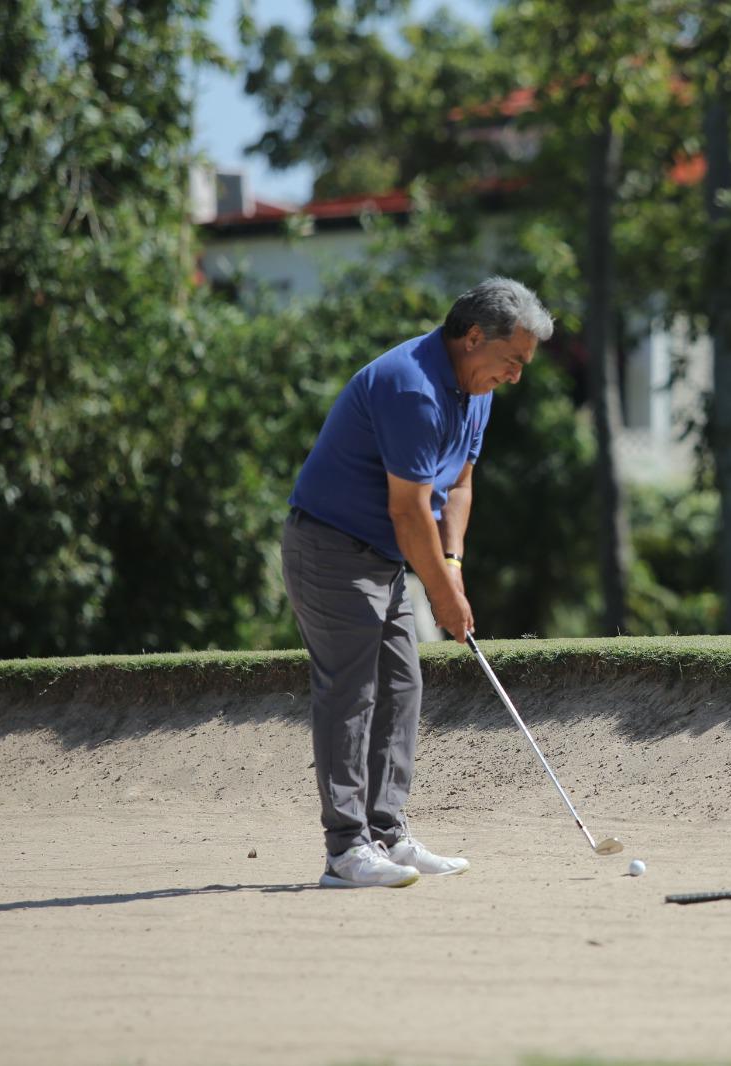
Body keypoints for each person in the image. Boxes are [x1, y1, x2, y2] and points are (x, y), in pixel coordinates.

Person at [281, 277, 553, 888]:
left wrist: (452, 568)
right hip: (329, 547)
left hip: (383, 555)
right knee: (351, 692)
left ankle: (387, 834)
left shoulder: (474, 388)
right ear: (474, 337)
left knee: (402, 686)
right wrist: (443, 595)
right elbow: (409, 510)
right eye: (511, 361)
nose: (515, 377)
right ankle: (346, 851)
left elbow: (458, 484)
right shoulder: (415, 389)